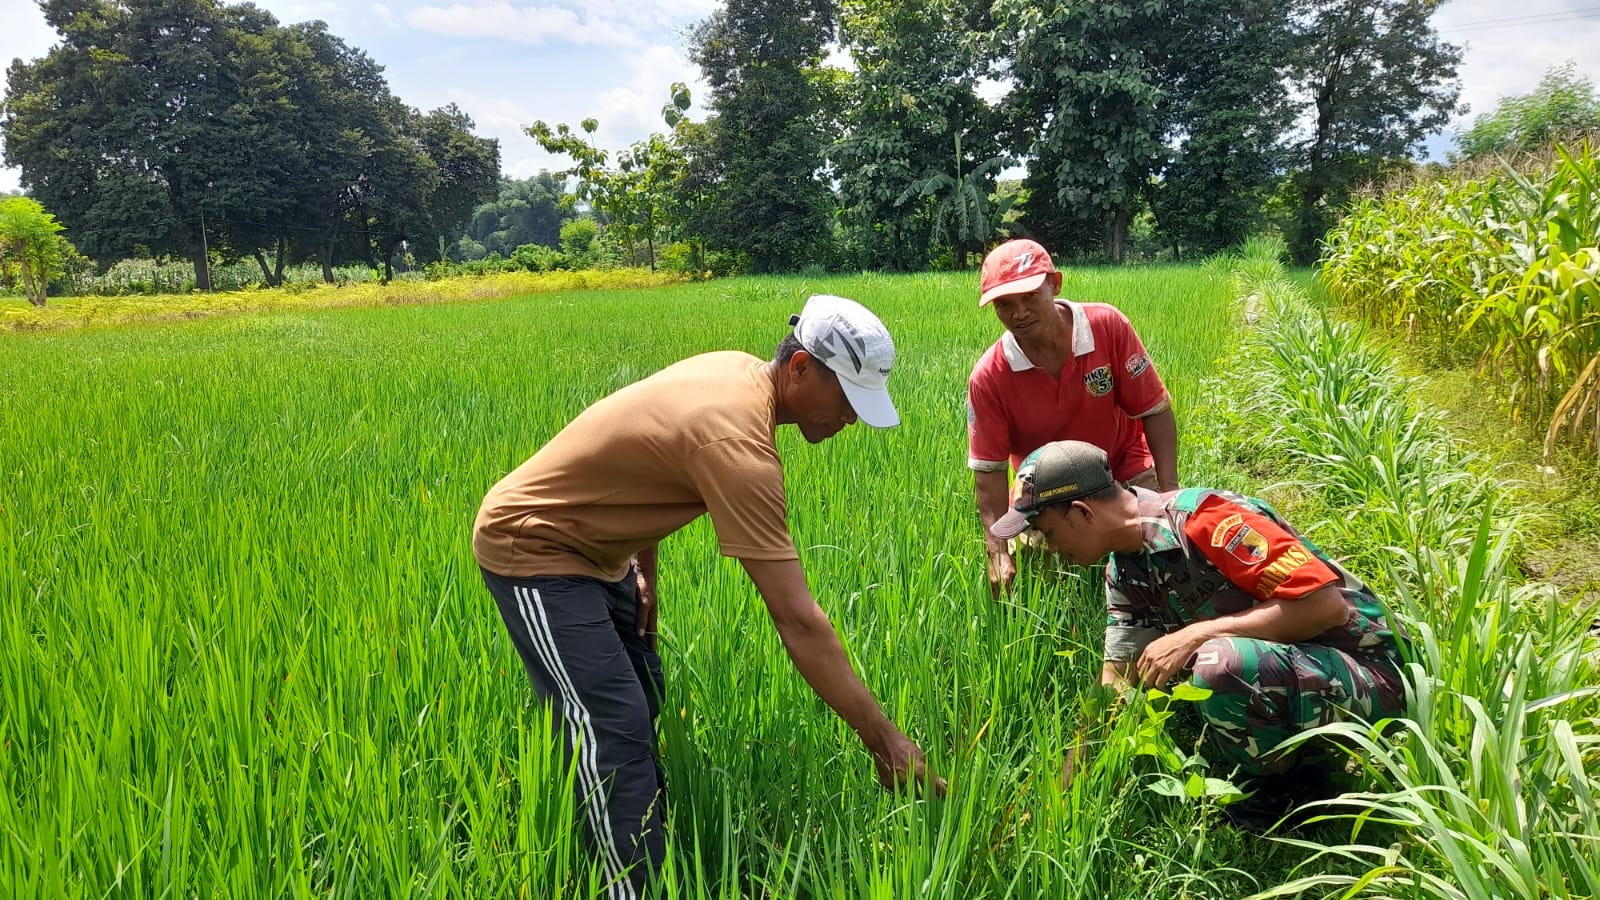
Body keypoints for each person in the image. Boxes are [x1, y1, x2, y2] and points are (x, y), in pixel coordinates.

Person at [473, 294, 943, 898]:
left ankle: (639, 844)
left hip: (603, 554)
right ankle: (631, 886)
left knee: (642, 697)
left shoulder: (734, 370)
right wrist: (886, 742)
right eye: (848, 399)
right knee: (610, 725)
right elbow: (797, 619)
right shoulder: (737, 447)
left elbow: (640, 461)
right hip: (534, 548)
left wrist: (644, 569)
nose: (851, 418)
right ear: (801, 368)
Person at [990, 440, 1407, 830]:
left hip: (1373, 672)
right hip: (1300, 670)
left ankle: (1293, 788)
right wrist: (1061, 789)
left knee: (1216, 664)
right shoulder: (1124, 571)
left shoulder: (1207, 520)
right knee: (1189, 674)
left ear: (1082, 512)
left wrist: (1195, 635)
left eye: (1047, 532)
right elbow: (1116, 681)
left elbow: (1326, 607)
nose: (1047, 547)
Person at [968, 238, 1179, 597]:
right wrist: (997, 551)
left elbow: (1154, 409)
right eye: (1004, 305)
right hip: (1044, 490)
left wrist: (1169, 492)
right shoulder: (989, 376)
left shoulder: (1107, 326)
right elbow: (989, 470)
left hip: (1121, 468)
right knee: (1044, 583)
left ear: (1055, 284)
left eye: (1029, 296)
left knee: (1158, 552)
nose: (1019, 313)